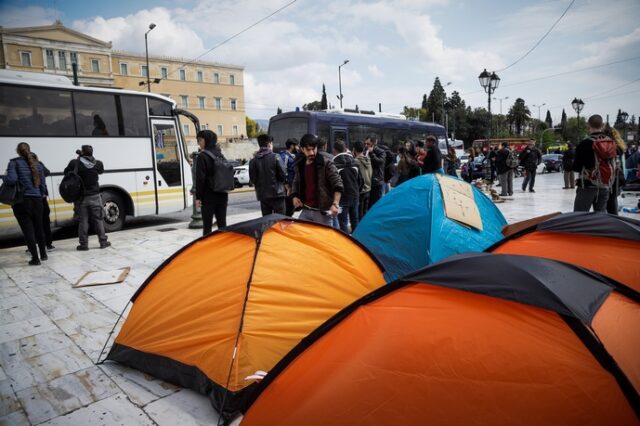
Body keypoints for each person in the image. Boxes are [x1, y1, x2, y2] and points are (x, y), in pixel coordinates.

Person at [4, 142, 47, 265]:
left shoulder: (14, 163)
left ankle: (35, 258)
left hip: (22, 201)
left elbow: (11, 180)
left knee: (28, 229)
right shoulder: (38, 164)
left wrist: (5, 177)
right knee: (39, 227)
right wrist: (40, 195)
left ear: (18, 151)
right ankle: (43, 254)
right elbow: (42, 184)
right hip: (37, 200)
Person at [64, 145, 110, 250]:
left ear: (82, 152)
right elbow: (101, 171)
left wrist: (79, 159)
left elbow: (66, 172)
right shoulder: (98, 163)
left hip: (81, 198)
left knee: (83, 221)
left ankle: (84, 245)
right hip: (95, 196)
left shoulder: (75, 163)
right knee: (98, 220)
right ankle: (103, 242)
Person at [291, 134, 343, 226]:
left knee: (324, 240)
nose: (311, 152)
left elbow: (338, 183)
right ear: (302, 149)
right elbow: (296, 181)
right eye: (308, 150)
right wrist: (294, 196)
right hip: (306, 210)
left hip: (322, 213)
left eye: (313, 149)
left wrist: (335, 204)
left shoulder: (326, 163)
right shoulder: (300, 164)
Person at [573, 114, 610, 212]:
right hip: (604, 185)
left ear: (588, 126)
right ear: (602, 125)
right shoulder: (610, 142)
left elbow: (576, 167)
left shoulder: (584, 144)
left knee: (579, 215)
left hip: (587, 184)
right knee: (601, 216)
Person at [195, 130, 229, 235]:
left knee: (207, 227)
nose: (198, 143)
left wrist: (198, 197)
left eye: (200, 140)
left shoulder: (202, 156)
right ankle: (224, 246)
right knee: (222, 224)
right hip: (222, 194)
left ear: (206, 140)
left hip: (208, 196)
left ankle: (208, 248)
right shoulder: (220, 155)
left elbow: (200, 179)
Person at [249, 134, 287, 216]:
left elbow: (253, 180)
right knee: (281, 221)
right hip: (278, 194)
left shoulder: (253, 161)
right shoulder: (276, 157)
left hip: (263, 196)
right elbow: (283, 175)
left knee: (267, 221)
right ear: (269, 144)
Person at [333, 140, 360, 233]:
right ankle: (357, 241)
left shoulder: (334, 165)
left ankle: (346, 243)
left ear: (334, 150)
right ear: (345, 148)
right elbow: (360, 181)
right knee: (355, 220)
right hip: (355, 195)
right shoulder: (355, 162)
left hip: (342, 197)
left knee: (343, 222)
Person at [352, 140, 372, 219]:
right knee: (365, 212)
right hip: (368, 189)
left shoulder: (355, 162)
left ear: (354, 150)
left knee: (359, 214)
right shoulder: (368, 159)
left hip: (361, 191)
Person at [279, 138, 298, 216]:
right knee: (287, 211)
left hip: (289, 188)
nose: (298, 148)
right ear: (292, 146)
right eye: (297, 146)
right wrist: (287, 185)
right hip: (286, 190)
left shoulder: (291, 156)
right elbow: (282, 172)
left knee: (289, 211)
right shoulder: (285, 157)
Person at [365, 135, 386, 207]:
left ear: (373, 143)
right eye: (365, 143)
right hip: (368, 181)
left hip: (376, 181)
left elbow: (379, 162)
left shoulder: (381, 152)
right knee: (368, 204)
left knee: (376, 204)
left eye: (368, 144)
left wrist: (372, 153)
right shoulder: (366, 151)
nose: (366, 145)